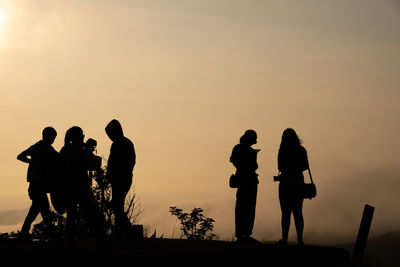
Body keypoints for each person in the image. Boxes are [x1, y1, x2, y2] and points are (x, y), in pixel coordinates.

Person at [59, 126, 104, 247]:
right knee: (92, 215)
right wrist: (88, 149)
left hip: (68, 188)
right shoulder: (80, 150)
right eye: (82, 135)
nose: (83, 137)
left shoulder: (65, 150)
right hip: (81, 188)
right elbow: (95, 163)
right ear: (78, 137)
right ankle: (100, 240)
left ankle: (70, 242)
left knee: (71, 216)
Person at [17, 127, 59, 239]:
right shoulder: (38, 148)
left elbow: (59, 160)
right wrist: (33, 162)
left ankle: (24, 233)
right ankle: (53, 235)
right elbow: (20, 156)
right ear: (47, 136)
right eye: (52, 137)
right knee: (43, 211)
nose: (53, 140)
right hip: (36, 185)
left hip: (40, 186)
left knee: (36, 210)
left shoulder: (48, 149)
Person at [276, 128, 309, 246]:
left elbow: (280, 167)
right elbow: (305, 166)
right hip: (298, 183)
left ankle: (284, 239)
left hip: (285, 183)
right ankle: (300, 240)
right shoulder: (301, 150)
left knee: (285, 213)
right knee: (298, 212)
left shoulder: (282, 150)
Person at [105, 119, 136, 240]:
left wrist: (112, 175)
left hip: (120, 178)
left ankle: (127, 230)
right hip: (124, 177)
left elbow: (113, 163)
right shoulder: (127, 142)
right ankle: (122, 231)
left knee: (116, 205)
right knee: (117, 205)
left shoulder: (119, 143)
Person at [230, 129, 260, 243]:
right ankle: (243, 234)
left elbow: (233, 160)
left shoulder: (239, 148)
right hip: (246, 180)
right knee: (245, 207)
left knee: (246, 207)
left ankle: (244, 234)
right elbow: (235, 161)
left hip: (247, 180)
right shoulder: (240, 148)